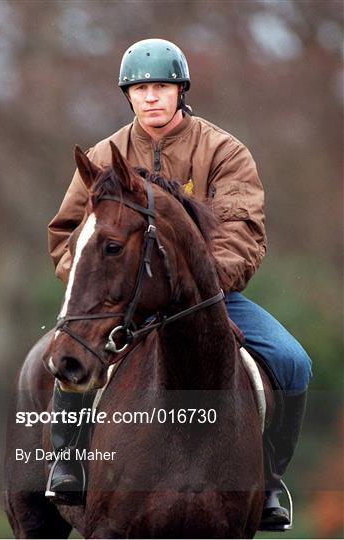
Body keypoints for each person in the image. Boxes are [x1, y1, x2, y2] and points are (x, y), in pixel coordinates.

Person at [46, 38, 311, 529]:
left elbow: (243, 231)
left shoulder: (224, 151)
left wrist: (200, 284)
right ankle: (67, 464)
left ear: (180, 90)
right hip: (122, 302)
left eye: (161, 87)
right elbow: (68, 234)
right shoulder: (104, 157)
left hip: (209, 300)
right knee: (69, 353)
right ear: (128, 95)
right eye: (141, 88)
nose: (151, 97)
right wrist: (98, 290)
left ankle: (270, 481)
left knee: (294, 362)